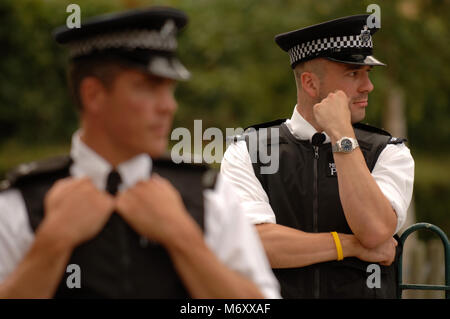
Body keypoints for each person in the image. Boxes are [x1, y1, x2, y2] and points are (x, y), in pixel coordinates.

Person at [0, 7, 280, 299]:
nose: (168, 106)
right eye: (148, 87)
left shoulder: (209, 195)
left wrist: (183, 238)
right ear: (93, 94)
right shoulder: (21, 203)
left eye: (170, 90)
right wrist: (51, 244)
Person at [221, 14, 414, 298]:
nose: (367, 86)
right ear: (311, 85)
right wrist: (350, 246)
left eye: (367, 74)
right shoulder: (246, 151)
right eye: (353, 73)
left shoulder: (389, 151)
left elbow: (373, 230)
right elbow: (253, 243)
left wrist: (342, 137)